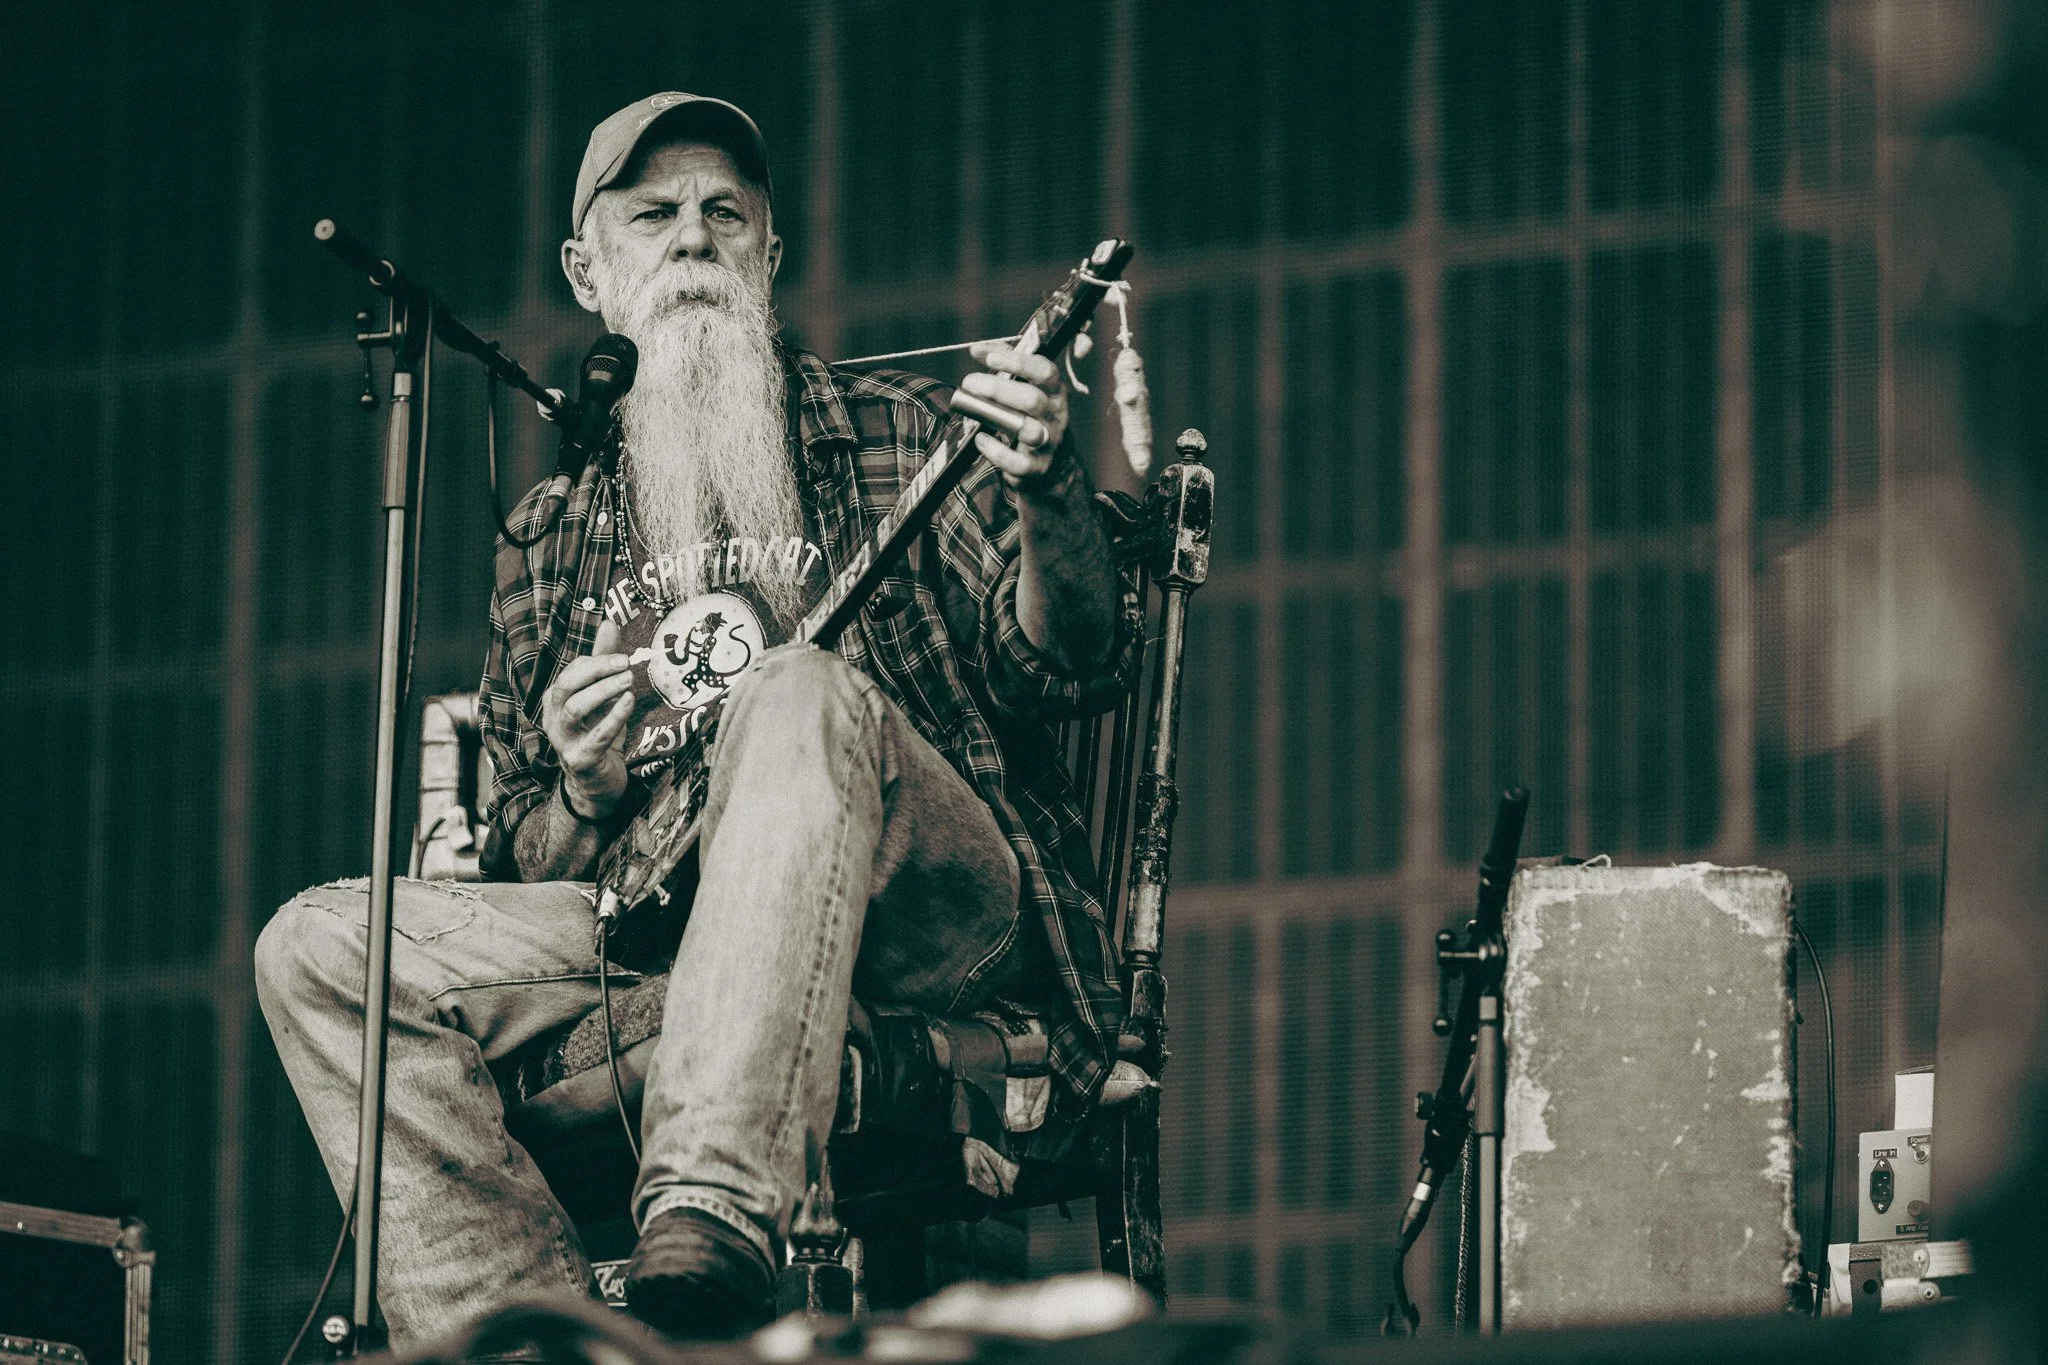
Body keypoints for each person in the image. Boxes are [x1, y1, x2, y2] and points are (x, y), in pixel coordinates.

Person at [254, 92, 1143, 1345]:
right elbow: (528, 862)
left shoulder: (898, 434)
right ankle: (532, 1341)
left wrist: (1047, 488)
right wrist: (583, 790)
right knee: (317, 946)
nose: (691, 238)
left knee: (791, 686)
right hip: (657, 933)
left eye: (725, 214)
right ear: (589, 274)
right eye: (653, 215)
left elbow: (1074, 664)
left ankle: (714, 1203)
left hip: (929, 910)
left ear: (768, 258)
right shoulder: (550, 534)